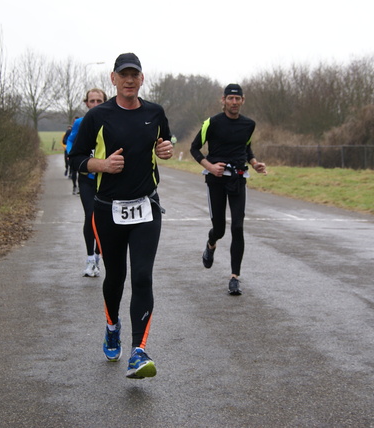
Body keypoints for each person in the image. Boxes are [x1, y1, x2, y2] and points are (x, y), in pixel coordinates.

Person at [69, 53, 173, 379]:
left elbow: (163, 142)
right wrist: (102, 165)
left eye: (135, 75)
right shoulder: (98, 116)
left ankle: (138, 352)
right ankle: (112, 325)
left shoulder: (155, 112)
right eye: (123, 75)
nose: (129, 80)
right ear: (113, 78)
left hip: (146, 208)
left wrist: (164, 149)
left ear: (142, 79)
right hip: (108, 210)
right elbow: (76, 158)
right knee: (116, 278)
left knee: (142, 276)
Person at [190, 83, 267, 296]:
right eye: (230, 98)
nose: (234, 102)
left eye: (237, 99)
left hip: (238, 180)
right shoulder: (212, 123)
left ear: (243, 100)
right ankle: (211, 243)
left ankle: (234, 277)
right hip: (216, 181)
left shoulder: (248, 124)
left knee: (238, 227)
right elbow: (194, 148)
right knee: (221, 229)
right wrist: (210, 167)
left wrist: (254, 162)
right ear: (223, 100)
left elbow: (246, 147)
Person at [66, 88, 108, 277]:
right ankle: (90, 258)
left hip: (106, 179)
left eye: (100, 101)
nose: (96, 104)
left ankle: (98, 255)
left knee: (104, 220)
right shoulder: (80, 123)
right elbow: (71, 142)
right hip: (87, 178)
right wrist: (71, 154)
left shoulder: (111, 122)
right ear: (86, 104)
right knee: (90, 215)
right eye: (92, 101)